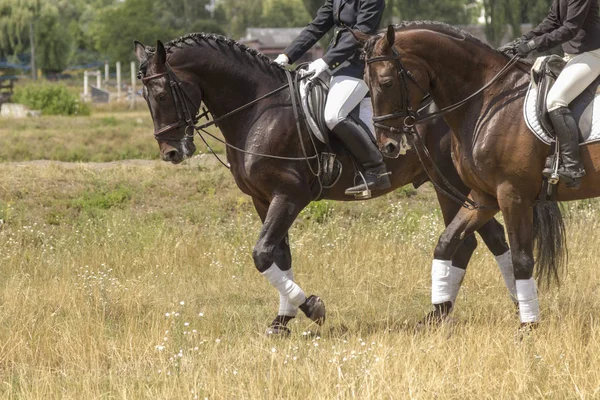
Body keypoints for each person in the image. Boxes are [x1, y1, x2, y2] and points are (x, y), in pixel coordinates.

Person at [274, 0, 390, 197]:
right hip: (335, 65)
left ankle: (376, 169)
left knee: (334, 116)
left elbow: (361, 33)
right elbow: (317, 26)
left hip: (360, 67)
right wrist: (287, 56)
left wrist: (325, 61)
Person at [502, 0, 600, 189]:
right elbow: (553, 20)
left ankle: (573, 167)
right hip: (573, 55)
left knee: (556, 100)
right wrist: (523, 40)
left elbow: (570, 28)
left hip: (593, 54)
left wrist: (533, 45)